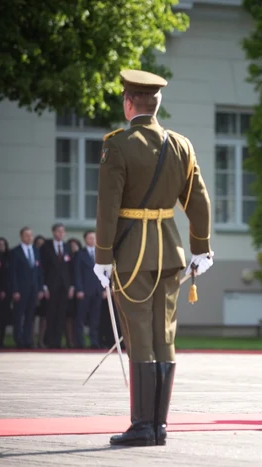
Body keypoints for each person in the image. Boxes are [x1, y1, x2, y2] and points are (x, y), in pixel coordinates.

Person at [93, 69, 213, 447]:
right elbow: (199, 201)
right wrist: (202, 248)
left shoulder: (118, 145)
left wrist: (102, 256)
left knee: (141, 337)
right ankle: (159, 425)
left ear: (129, 103)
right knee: (165, 336)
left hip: (132, 255)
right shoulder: (181, 144)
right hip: (171, 253)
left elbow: (108, 206)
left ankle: (143, 425)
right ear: (155, 104)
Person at [10, 227, 45, 349]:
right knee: (19, 316)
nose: (29, 237)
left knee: (30, 317)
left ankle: (27, 340)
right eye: (26, 235)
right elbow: (12, 273)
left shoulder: (35, 250)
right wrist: (15, 290)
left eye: (31, 235)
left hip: (33, 289)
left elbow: (39, 271)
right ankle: (18, 340)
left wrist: (40, 288)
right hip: (20, 290)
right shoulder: (15, 252)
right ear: (21, 236)